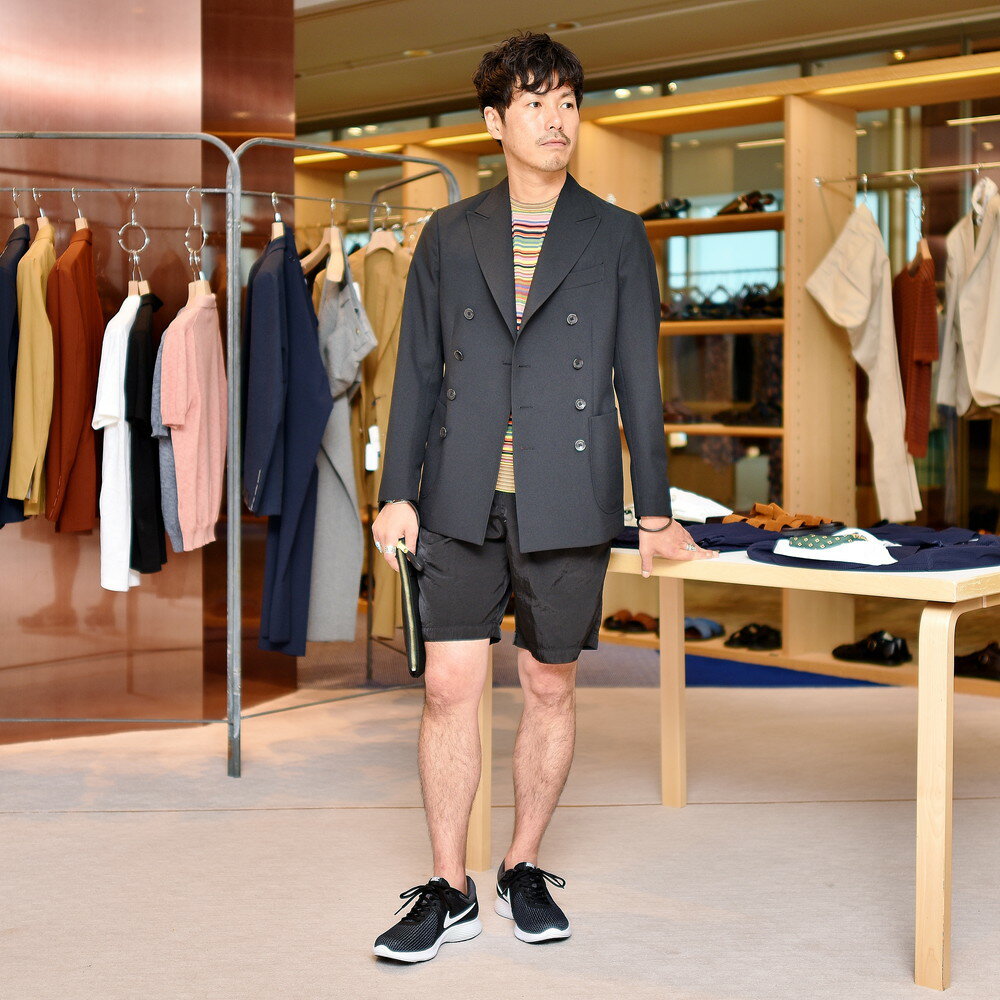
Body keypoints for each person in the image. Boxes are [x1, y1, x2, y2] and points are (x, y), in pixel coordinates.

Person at [370, 30, 717, 963]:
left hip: (568, 493)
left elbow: (637, 381)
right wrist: (395, 492)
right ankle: (448, 887)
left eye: (568, 102)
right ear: (496, 121)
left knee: (548, 686)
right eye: (535, 103)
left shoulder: (616, 233)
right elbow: (416, 373)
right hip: (457, 492)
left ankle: (522, 864)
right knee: (448, 688)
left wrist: (655, 512)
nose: (557, 119)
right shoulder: (448, 234)